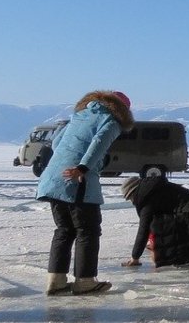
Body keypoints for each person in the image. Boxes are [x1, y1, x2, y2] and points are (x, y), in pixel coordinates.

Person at [35, 90, 134, 295]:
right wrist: (83, 167)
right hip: (77, 180)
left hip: (52, 178)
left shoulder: (78, 116)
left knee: (64, 230)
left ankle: (55, 282)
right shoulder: (111, 121)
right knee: (87, 231)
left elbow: (55, 143)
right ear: (122, 109)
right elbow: (99, 143)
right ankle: (85, 281)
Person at [119, 176, 189, 268]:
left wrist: (135, 257)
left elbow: (143, 230)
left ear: (133, 193)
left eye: (130, 198)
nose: (132, 201)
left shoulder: (148, 199)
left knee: (164, 238)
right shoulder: (158, 188)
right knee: (164, 226)